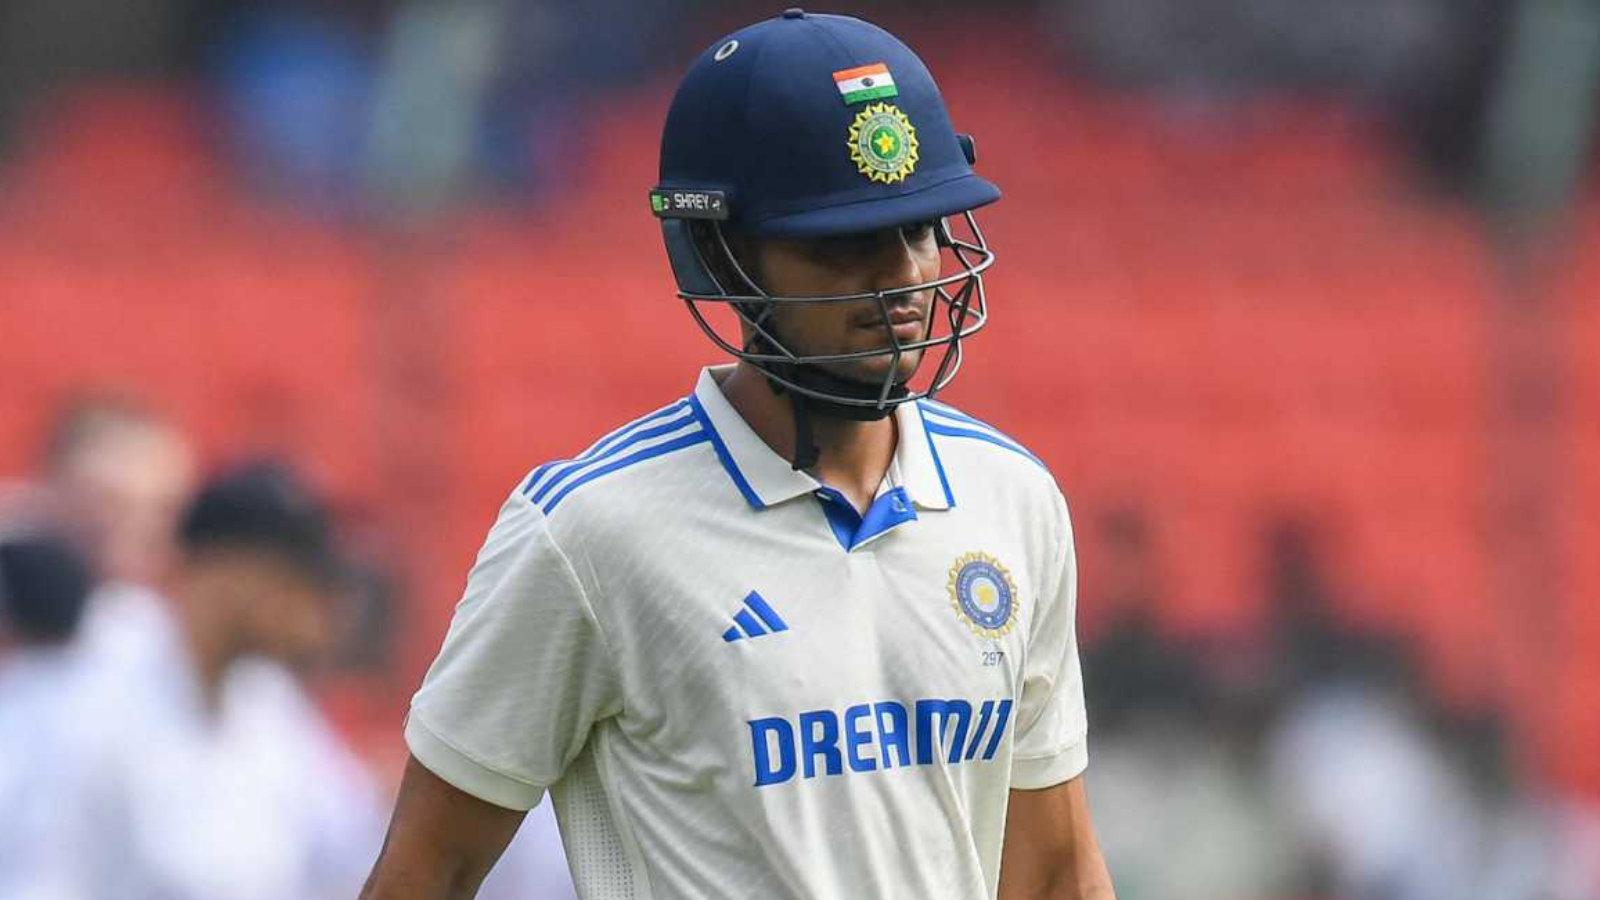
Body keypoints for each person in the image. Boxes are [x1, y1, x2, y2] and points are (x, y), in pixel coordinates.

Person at [362, 10, 1116, 900]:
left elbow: (1055, 869)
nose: (908, 276)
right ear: (720, 251)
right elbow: (426, 870)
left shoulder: (1012, 498)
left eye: (921, 229)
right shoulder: (589, 533)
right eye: (846, 243)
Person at [39, 461, 384, 900]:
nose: (320, 612)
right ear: (233, 570)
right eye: (300, 582)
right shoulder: (93, 672)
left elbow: (353, 844)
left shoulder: (267, 701)